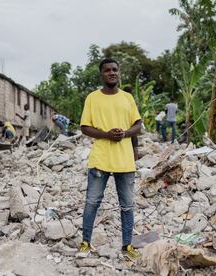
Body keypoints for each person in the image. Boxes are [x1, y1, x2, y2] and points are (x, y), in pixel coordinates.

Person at [79, 58, 142, 261]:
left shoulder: (127, 98)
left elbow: (137, 125)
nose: (112, 73)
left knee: (127, 205)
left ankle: (127, 246)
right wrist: (107, 134)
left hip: (125, 160)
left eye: (115, 69)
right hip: (101, 159)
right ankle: (86, 242)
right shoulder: (92, 98)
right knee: (92, 202)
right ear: (101, 74)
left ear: (119, 73)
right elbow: (84, 127)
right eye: (107, 70)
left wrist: (124, 134)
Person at [122, 86, 139, 160]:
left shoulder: (121, 99)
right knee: (134, 139)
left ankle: (126, 157)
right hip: (132, 123)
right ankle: (135, 157)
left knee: (125, 140)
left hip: (124, 123)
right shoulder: (132, 99)